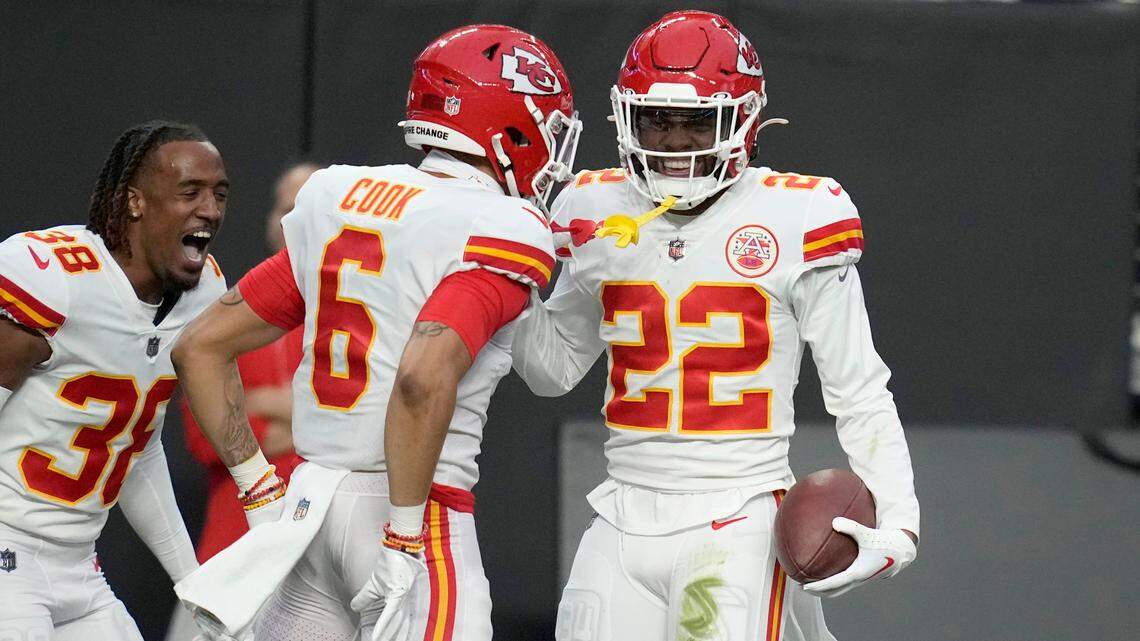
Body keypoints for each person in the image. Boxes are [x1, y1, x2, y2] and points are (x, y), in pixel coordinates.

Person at [512, 11, 920, 641]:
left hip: (737, 518)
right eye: (658, 120)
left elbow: (858, 388)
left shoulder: (799, 213)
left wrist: (897, 520)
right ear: (628, 117)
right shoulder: (595, 207)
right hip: (619, 513)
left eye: (696, 121)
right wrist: (500, 274)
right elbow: (552, 369)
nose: (674, 141)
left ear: (745, 120)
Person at [171, 25, 579, 641]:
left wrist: (260, 494)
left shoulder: (341, 195)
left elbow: (198, 345)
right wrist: (403, 534)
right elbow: (421, 378)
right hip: (416, 509)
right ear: (510, 125)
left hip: (308, 504)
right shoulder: (499, 223)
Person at [0, 120, 229, 640]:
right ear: (135, 202)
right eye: (189, 192)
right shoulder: (56, 278)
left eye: (219, 194)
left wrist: (191, 581)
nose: (210, 210)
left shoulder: (201, 293)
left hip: (81, 565)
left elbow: (135, 450)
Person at [163, 164, 315, 641]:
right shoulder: (228, 314)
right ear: (272, 220)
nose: (296, 220)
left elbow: (372, 430)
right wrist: (311, 422)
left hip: (320, 552)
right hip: (233, 545)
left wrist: (266, 405)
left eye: (309, 209)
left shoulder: (364, 320)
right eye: (287, 208)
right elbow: (204, 440)